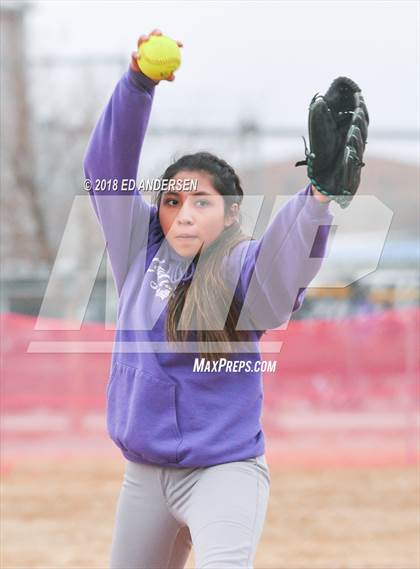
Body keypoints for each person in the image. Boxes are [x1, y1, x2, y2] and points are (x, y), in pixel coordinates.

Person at [83, 29, 333, 569]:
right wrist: (136, 85)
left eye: (202, 201)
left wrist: (316, 199)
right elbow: (106, 172)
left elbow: (280, 273)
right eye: (173, 200)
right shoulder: (139, 253)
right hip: (144, 475)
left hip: (224, 472)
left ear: (232, 213)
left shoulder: (240, 264)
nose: (186, 212)